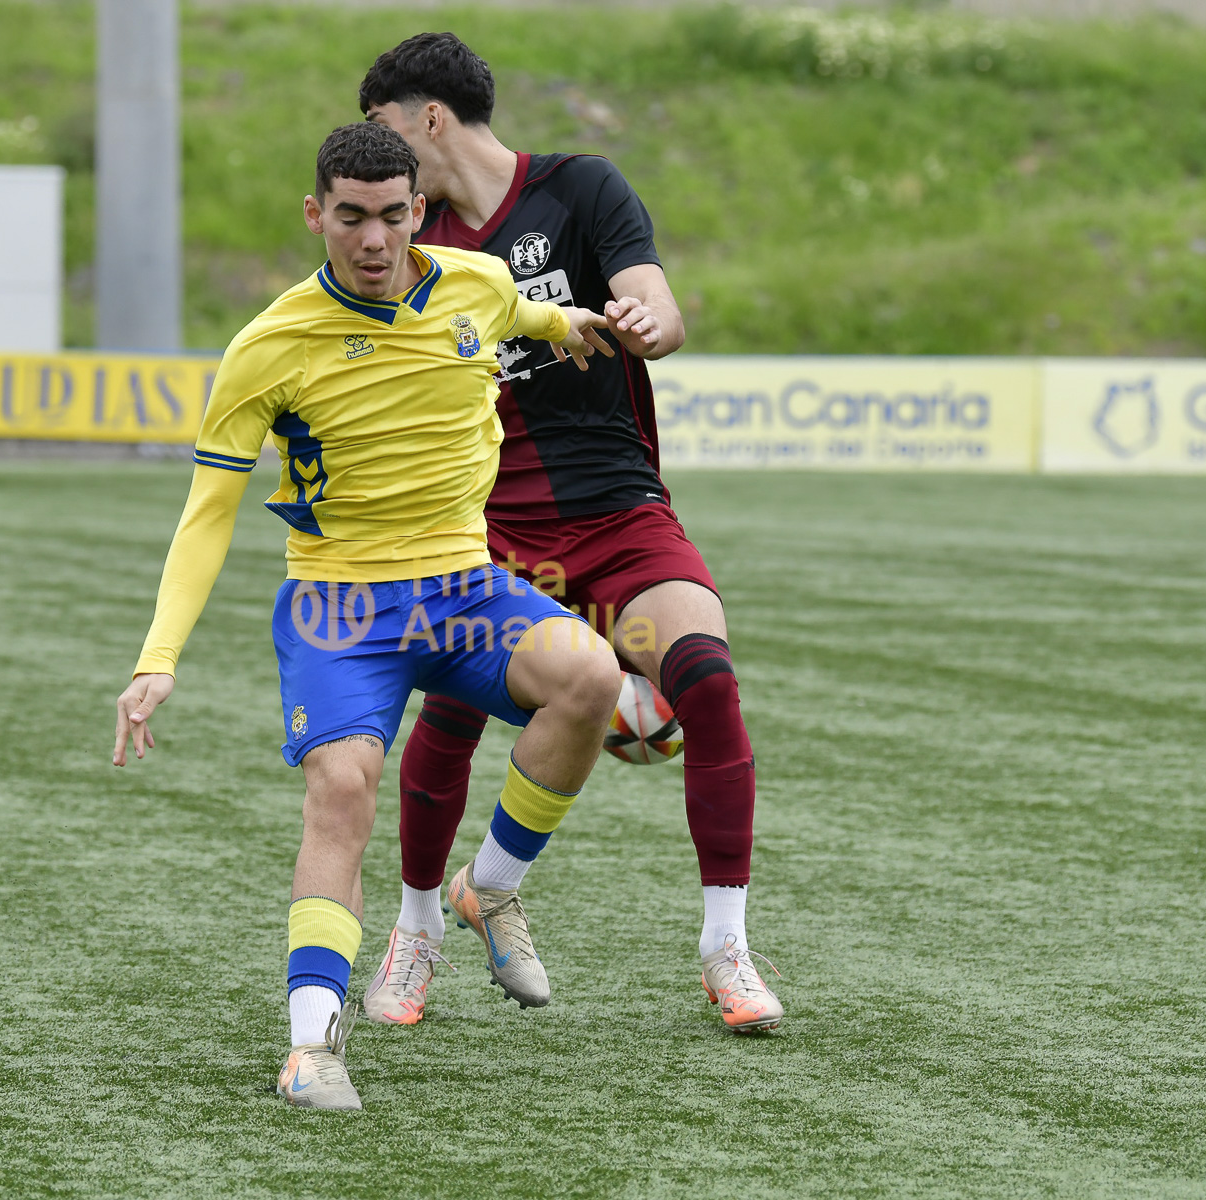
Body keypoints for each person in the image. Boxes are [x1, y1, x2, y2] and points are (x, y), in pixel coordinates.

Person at [112, 123, 624, 1111]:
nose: (375, 239)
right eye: (351, 217)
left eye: (394, 215)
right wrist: (158, 655)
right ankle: (311, 1048)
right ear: (316, 215)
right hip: (341, 606)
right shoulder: (269, 345)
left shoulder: (475, 283)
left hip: (466, 590)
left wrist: (573, 326)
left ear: (420, 210)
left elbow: (524, 313)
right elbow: (207, 512)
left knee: (593, 676)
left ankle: (490, 887)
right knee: (343, 788)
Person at [360, 33, 783, 1033]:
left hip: (620, 515)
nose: (373, 158)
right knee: (449, 716)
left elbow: (659, 307)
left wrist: (645, 325)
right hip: (487, 532)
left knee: (707, 683)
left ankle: (725, 948)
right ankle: (417, 927)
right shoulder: (409, 247)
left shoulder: (580, 189)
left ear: (429, 117)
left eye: (380, 129)